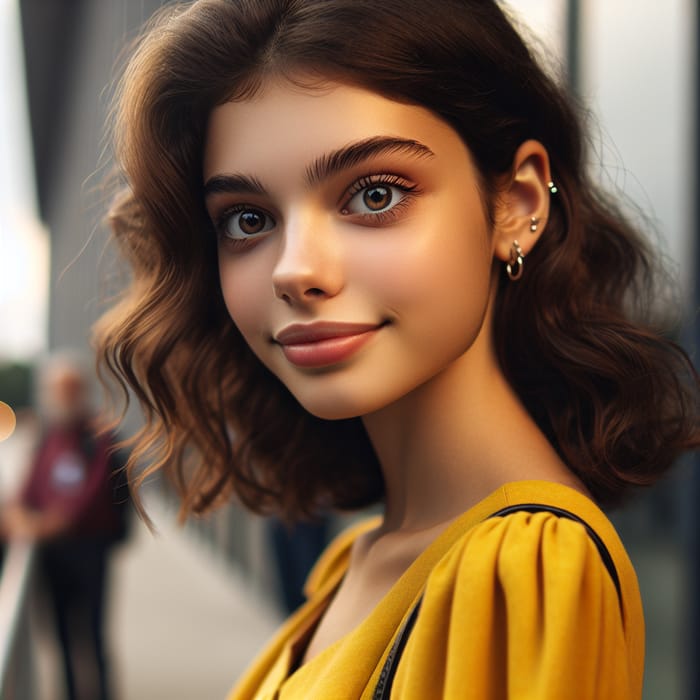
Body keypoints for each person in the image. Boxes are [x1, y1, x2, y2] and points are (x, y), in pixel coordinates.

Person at [94, 1, 700, 697]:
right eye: (248, 219)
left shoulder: (523, 570)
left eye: (375, 194)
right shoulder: (357, 557)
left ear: (518, 204)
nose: (296, 269)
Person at [2, 353, 129, 700]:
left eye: (70, 390)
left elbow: (90, 498)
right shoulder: (47, 436)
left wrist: (41, 524)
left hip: (89, 551)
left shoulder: (100, 438)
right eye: (57, 391)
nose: (63, 398)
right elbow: (26, 490)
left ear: (83, 391)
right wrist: (18, 516)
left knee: (92, 636)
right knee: (58, 637)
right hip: (52, 555)